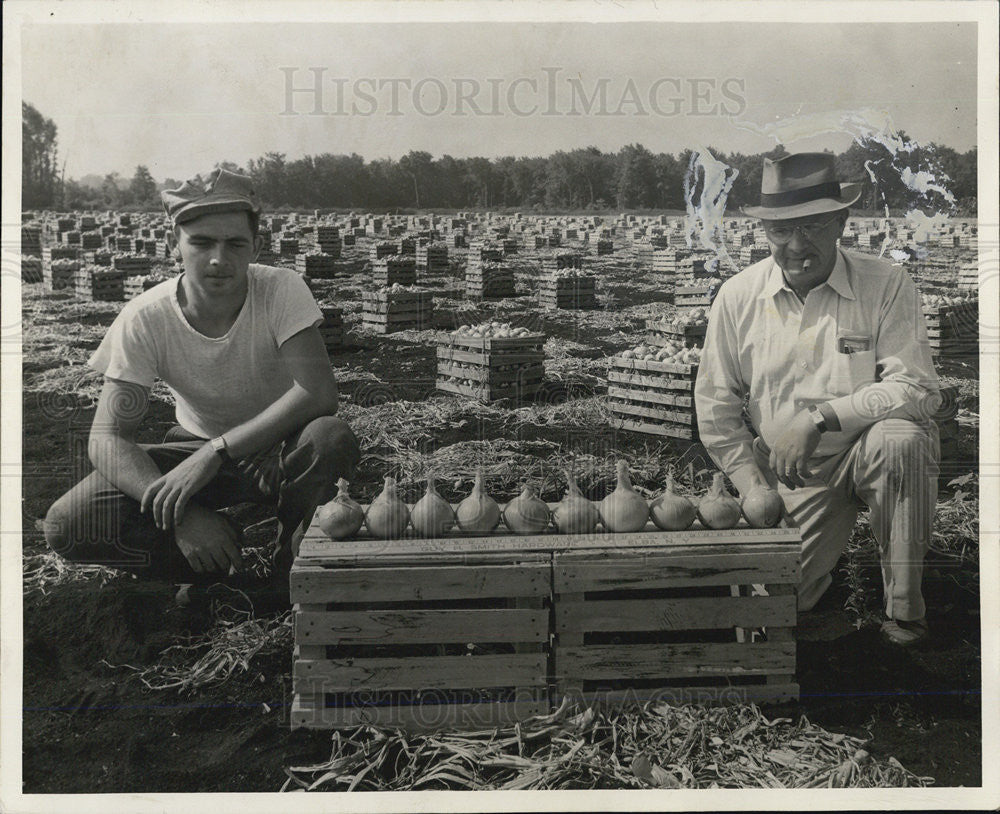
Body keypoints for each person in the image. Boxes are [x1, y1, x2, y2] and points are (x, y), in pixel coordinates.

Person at [43, 169, 360, 607]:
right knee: (69, 523)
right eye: (201, 242)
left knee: (329, 437)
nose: (218, 259)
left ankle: (290, 572)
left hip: (283, 447)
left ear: (256, 247)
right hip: (195, 448)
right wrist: (182, 515)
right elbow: (107, 437)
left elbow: (318, 393)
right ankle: (206, 565)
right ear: (175, 243)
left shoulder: (280, 290)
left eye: (235, 244)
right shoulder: (145, 318)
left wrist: (219, 451)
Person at [694, 152, 941, 646]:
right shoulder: (738, 297)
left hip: (867, 448)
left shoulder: (886, 284)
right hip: (792, 472)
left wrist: (820, 419)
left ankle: (905, 609)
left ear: (841, 222)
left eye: (812, 227)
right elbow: (716, 407)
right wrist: (752, 486)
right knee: (779, 604)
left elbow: (916, 388)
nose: (796, 245)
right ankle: (820, 569)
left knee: (902, 441)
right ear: (764, 231)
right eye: (781, 232)